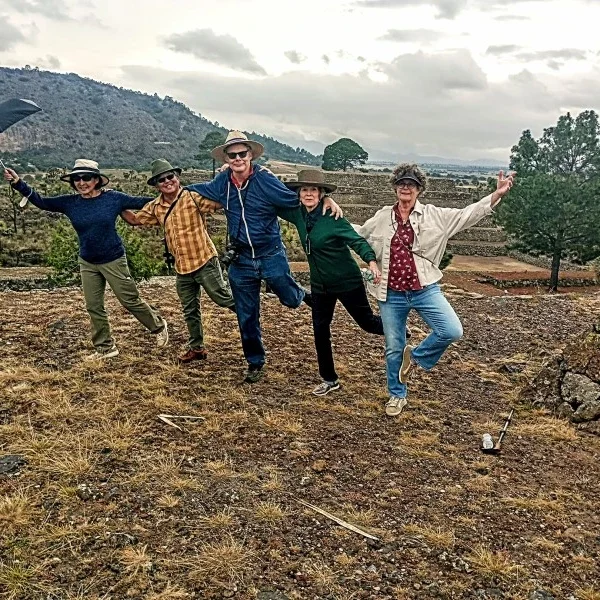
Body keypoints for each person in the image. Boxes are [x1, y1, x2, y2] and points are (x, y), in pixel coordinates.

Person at [355, 164, 514, 417]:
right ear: (395, 187)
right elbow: (358, 233)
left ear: (419, 189)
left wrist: (496, 195)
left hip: (424, 289)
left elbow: (468, 214)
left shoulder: (435, 216)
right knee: (393, 346)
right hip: (391, 293)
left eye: (411, 184)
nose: (406, 187)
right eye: (401, 183)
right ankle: (397, 395)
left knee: (451, 330)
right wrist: (332, 214)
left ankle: (416, 357)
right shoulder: (383, 217)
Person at [186, 131, 343, 384]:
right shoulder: (222, 183)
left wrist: (327, 198)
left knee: (290, 300)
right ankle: (255, 362)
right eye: (232, 154)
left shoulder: (265, 179)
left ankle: (301, 294)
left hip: (270, 253)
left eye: (242, 154)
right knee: (246, 314)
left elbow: (295, 199)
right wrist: (170, 190)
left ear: (250, 155)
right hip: (241, 259)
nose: (238, 158)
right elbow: (195, 190)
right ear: (226, 158)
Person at [3, 159, 168, 360]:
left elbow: (146, 202)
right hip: (87, 261)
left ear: (97, 179)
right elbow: (41, 201)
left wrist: (174, 194)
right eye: (77, 179)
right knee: (94, 306)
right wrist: (18, 182)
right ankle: (106, 348)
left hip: (113, 258)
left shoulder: (113, 198)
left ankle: (158, 326)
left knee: (129, 300)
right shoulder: (70, 203)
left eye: (86, 178)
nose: (82, 182)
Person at [120, 159, 236, 363]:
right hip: (182, 267)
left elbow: (220, 202)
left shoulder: (193, 197)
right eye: (161, 179)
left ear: (177, 177)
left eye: (170, 176)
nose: (167, 181)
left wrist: (228, 176)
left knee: (222, 298)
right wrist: (115, 204)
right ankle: (197, 348)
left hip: (204, 260)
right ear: (156, 185)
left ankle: (250, 313)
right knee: (190, 309)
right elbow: (134, 220)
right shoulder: (155, 207)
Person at [281, 169, 384, 395]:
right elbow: (270, 196)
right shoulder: (297, 214)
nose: (308, 194)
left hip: (347, 281)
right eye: (304, 190)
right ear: (298, 194)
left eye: (314, 190)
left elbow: (357, 241)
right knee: (320, 329)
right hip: (320, 286)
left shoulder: (333, 218)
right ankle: (329, 379)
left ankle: (399, 331)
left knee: (367, 323)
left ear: (320, 194)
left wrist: (371, 262)